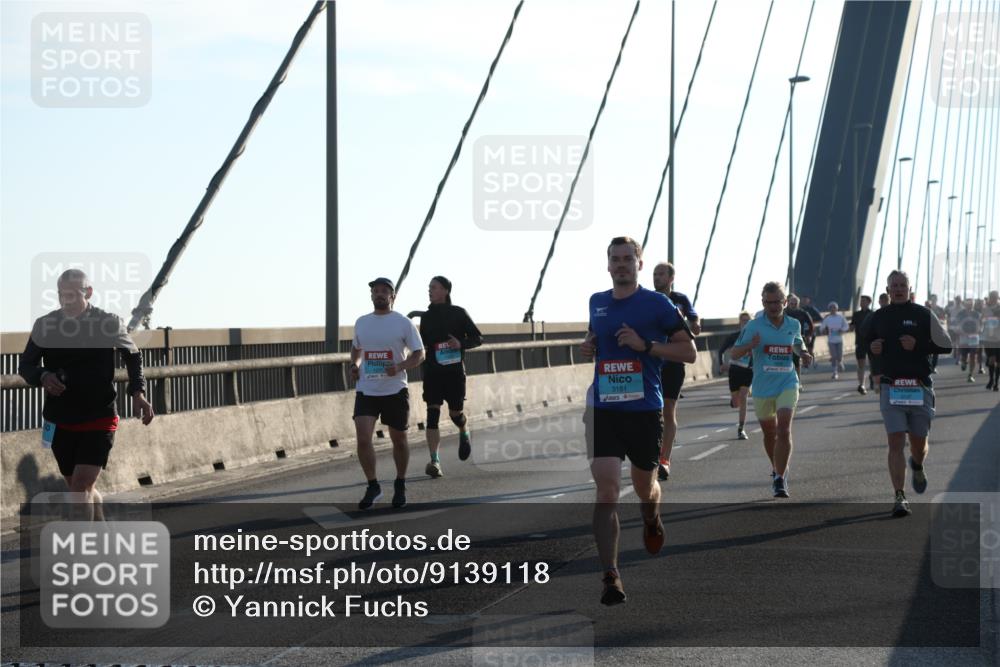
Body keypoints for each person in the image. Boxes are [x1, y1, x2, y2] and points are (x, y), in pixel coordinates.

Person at [581, 237, 696, 605]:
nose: (621, 265)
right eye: (615, 259)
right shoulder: (597, 302)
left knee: (645, 488)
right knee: (607, 491)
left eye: (627, 259)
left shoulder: (658, 304)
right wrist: (589, 346)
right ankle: (611, 575)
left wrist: (646, 346)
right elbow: (596, 338)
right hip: (604, 408)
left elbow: (689, 351)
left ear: (639, 264)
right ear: (607, 264)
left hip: (644, 410)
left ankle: (651, 517)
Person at [18, 269, 155, 521]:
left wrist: (138, 392)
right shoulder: (45, 325)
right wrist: (43, 376)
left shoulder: (108, 322)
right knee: (79, 487)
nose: (66, 300)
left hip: (99, 415)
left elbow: (133, 356)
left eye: (72, 294)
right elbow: (26, 365)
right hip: (60, 418)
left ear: (88, 292)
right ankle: (101, 532)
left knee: (80, 488)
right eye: (62, 294)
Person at [864, 270, 952, 518]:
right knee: (895, 442)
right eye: (894, 286)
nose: (899, 289)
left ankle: (918, 464)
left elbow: (946, 345)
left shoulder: (923, 314)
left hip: (919, 386)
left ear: (910, 289)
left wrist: (919, 345)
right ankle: (899, 496)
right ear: (888, 290)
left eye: (903, 285)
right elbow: (866, 344)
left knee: (918, 444)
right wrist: (873, 348)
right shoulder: (878, 317)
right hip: (891, 387)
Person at [729, 282, 813, 499]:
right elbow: (734, 354)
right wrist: (750, 345)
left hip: (787, 382)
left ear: (784, 302)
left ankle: (780, 478)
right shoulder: (753, 326)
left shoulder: (793, 324)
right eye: (769, 303)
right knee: (769, 433)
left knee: (783, 429)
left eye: (777, 302)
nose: (773, 306)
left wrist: (804, 353)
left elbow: (797, 343)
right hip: (762, 387)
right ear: (763, 302)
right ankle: (777, 468)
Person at [350, 277, 425, 510]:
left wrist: (400, 366)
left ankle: (400, 483)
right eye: (376, 291)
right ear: (371, 295)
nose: (379, 294)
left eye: (384, 291)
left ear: (392, 296)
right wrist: (355, 364)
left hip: (395, 390)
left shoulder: (403, 323)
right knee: (363, 439)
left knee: (399, 439)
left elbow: (419, 354)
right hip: (367, 389)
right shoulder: (362, 322)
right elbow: (356, 348)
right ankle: (373, 486)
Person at [417, 276, 483, 478]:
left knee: (455, 414)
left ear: (445, 290)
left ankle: (463, 429)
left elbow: (478, 338)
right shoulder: (426, 317)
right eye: (429, 287)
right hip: (433, 373)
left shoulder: (458, 313)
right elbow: (423, 344)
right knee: (432, 416)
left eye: (434, 287)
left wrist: (461, 344)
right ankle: (435, 461)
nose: (430, 290)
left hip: (454, 374)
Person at [651, 262, 700, 481]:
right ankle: (651, 453)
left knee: (668, 409)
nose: (657, 277)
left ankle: (664, 460)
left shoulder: (680, 299)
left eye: (661, 274)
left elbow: (694, 318)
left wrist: (695, 326)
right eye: (655, 274)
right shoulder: (649, 299)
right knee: (651, 412)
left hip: (674, 362)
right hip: (652, 362)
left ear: (671, 278)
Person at [718, 311, 753, 440]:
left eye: (748, 320)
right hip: (734, 370)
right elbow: (721, 350)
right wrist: (722, 364)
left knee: (744, 397)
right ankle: (734, 400)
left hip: (748, 370)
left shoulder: (754, 338)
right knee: (736, 402)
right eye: (743, 320)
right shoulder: (733, 336)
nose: (745, 322)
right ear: (740, 322)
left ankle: (741, 429)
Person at [784, 294, 814, 385]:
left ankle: (798, 381)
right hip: (784, 339)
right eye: (791, 304)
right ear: (788, 303)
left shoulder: (803, 313)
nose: (793, 305)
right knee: (786, 361)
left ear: (798, 304)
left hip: (798, 339)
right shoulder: (783, 313)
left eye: (795, 304)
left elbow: (811, 325)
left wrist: (809, 335)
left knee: (796, 361)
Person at [850, 295, 874, 394]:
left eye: (863, 301)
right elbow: (852, 326)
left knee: (872, 363)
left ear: (868, 303)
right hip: (860, 342)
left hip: (871, 342)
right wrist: (850, 327)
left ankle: (872, 377)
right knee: (861, 364)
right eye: (861, 301)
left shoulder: (872, 314)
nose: (861, 303)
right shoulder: (856, 314)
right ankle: (862, 385)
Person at [953, 298, 981, 382]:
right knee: (964, 356)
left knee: (973, 356)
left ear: (973, 305)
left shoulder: (977, 314)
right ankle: (964, 362)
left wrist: (979, 331)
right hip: (963, 337)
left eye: (971, 304)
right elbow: (956, 324)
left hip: (974, 337)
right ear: (965, 305)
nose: (970, 306)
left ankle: (970, 375)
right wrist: (959, 331)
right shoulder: (960, 314)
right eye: (968, 304)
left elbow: (981, 325)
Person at [820, 302, 850, 380]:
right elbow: (821, 327)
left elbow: (846, 326)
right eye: (831, 308)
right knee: (833, 357)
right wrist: (824, 331)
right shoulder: (827, 318)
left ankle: (840, 362)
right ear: (829, 309)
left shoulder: (841, 317)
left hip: (839, 340)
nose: (833, 309)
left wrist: (842, 330)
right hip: (831, 340)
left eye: (834, 308)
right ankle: (835, 372)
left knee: (839, 356)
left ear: (837, 309)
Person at [982, 290, 1000, 391]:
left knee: (998, 361)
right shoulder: (985, 308)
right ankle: (991, 380)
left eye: (995, 297)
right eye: (992, 297)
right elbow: (981, 320)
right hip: (988, 338)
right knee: (991, 359)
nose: (993, 299)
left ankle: (996, 383)